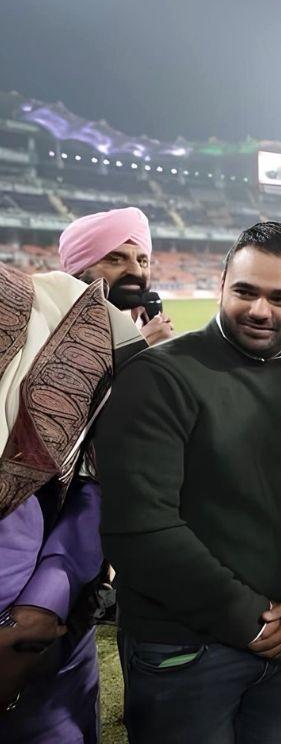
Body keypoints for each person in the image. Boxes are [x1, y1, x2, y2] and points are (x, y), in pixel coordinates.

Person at [93, 222, 281, 744]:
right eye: (246, 291)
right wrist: (251, 619)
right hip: (185, 649)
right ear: (222, 287)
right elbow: (140, 527)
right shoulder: (160, 377)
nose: (261, 309)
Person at [0, 262, 144, 743]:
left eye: (140, 257)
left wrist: (41, 607)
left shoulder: (64, 319)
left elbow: (100, 483)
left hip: (42, 633)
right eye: (117, 256)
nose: (133, 269)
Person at [58, 206, 174, 345]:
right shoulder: (49, 327)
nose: (136, 271)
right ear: (79, 271)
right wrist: (138, 344)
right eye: (116, 260)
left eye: (143, 262)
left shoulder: (143, 323)